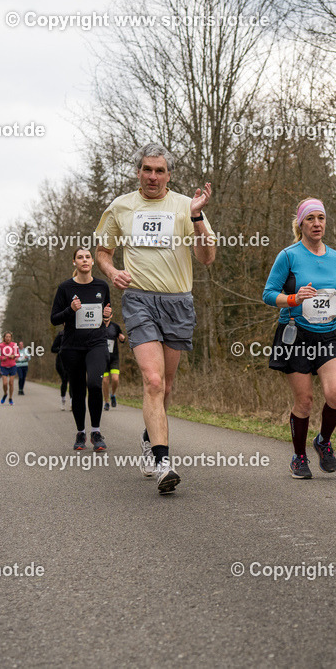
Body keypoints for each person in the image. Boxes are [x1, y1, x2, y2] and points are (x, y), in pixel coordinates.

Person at [95, 143, 216, 493]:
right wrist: (111, 270)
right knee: (152, 380)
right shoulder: (121, 206)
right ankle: (164, 462)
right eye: (147, 169)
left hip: (178, 302)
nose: (152, 176)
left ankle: (150, 438)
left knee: (167, 386)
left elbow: (207, 257)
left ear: (169, 174)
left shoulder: (185, 206)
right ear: (137, 172)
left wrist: (196, 217)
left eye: (159, 170)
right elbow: (103, 250)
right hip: (139, 300)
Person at [262, 198, 336, 479]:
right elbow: (268, 294)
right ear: (300, 223)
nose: (316, 223)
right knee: (305, 401)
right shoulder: (288, 256)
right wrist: (293, 298)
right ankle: (299, 456)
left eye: (321, 218)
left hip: (329, 335)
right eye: (310, 218)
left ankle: (323, 441)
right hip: (296, 334)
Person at [51, 248, 112, 452]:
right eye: (80, 257)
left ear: (92, 262)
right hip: (72, 346)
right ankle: (80, 433)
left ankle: (96, 432)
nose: (84, 260)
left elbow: (106, 315)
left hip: (96, 343)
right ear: (74, 262)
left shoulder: (102, 286)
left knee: (95, 383)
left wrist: (107, 317)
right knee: (77, 390)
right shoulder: (65, 288)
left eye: (87, 257)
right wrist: (71, 310)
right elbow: (54, 319)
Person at [101, 314, 126, 411]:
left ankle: (113, 395)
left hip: (114, 358)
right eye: (104, 316)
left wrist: (122, 338)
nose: (105, 318)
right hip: (103, 358)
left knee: (115, 379)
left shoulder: (115, 326)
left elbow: (121, 338)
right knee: (105, 381)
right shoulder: (98, 326)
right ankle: (106, 402)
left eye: (107, 316)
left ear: (111, 316)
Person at [0, 333, 20, 405]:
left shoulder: (14, 345)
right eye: (6, 337)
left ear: (11, 338)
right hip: (4, 366)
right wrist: (2, 358)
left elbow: (18, 354)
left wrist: (14, 356)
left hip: (12, 366)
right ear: (4, 338)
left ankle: (10, 398)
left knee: (11, 383)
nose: (8, 338)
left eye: (9, 337)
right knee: (5, 383)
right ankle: (5, 394)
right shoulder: (1, 346)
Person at [51, 329, 69, 410]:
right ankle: (63, 400)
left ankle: (72, 402)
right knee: (64, 380)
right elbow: (53, 348)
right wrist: (62, 349)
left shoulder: (76, 332)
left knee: (72, 381)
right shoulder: (61, 334)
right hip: (61, 361)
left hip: (72, 360)